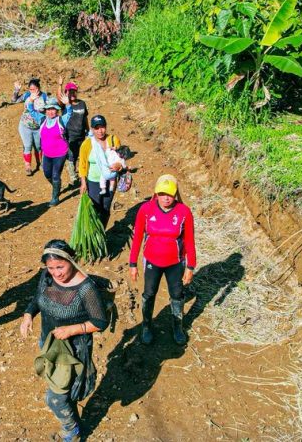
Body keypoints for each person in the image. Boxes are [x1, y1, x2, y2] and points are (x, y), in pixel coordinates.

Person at [20, 240, 108, 442]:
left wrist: (72, 330)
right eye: (51, 268)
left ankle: (72, 431)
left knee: (54, 398)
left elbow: (100, 322)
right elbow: (37, 299)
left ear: (72, 261)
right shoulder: (47, 277)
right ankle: (75, 419)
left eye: (60, 267)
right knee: (64, 391)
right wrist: (28, 315)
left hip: (72, 351)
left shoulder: (86, 289)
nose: (56, 273)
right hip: (50, 344)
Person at [127, 175, 197, 345]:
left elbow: (189, 240)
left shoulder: (184, 212)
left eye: (170, 194)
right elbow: (137, 238)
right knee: (149, 294)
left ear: (175, 194)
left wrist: (190, 266)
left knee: (177, 295)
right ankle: (146, 326)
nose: (166, 198)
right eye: (162, 193)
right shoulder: (146, 210)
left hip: (175, 262)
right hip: (152, 262)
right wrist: (133, 263)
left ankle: (177, 327)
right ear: (156, 193)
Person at [78, 115, 124, 227]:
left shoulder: (113, 140)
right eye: (96, 128)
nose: (100, 131)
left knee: (106, 208)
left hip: (110, 180)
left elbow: (121, 157)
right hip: (93, 182)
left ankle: (101, 232)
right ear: (92, 129)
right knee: (95, 208)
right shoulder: (87, 144)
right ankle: (93, 232)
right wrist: (83, 182)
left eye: (102, 127)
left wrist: (119, 165)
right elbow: (82, 164)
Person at [11, 79, 52, 175]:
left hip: (38, 127)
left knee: (38, 147)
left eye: (34, 89)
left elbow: (51, 108)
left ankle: (40, 163)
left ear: (39, 88)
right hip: (25, 125)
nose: (32, 91)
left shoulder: (44, 96)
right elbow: (14, 100)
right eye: (30, 89)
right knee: (28, 146)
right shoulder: (27, 95)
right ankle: (28, 166)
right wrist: (16, 90)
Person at [38, 100, 72, 206]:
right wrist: (30, 101)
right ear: (45, 111)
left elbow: (69, 113)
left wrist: (68, 104)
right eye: (48, 109)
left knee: (55, 175)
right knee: (47, 174)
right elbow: (31, 111)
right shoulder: (42, 119)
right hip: (47, 154)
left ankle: (55, 198)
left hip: (60, 153)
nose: (51, 111)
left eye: (53, 109)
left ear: (57, 110)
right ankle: (57, 186)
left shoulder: (61, 120)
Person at [58, 82, 89, 186]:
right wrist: (59, 85)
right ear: (66, 93)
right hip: (69, 136)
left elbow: (85, 118)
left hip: (81, 135)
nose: (72, 94)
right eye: (69, 92)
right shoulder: (65, 105)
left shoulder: (82, 103)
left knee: (82, 155)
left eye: (74, 92)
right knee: (71, 157)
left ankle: (82, 174)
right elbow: (59, 98)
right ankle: (73, 178)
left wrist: (88, 130)